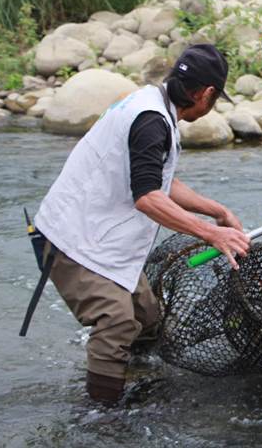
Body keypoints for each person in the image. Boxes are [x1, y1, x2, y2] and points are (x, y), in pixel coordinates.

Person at [30, 44, 250, 406]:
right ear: (206, 94)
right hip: (71, 240)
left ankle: (140, 382)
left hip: (98, 234)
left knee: (147, 317)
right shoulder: (150, 119)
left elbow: (160, 179)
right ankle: (102, 418)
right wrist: (212, 233)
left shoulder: (153, 104)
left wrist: (217, 210)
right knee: (116, 323)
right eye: (215, 98)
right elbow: (147, 197)